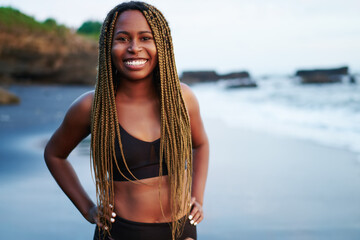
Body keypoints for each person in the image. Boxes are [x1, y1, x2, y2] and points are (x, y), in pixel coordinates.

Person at [44, 1, 209, 240]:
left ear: (162, 45)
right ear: (108, 47)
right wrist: (88, 209)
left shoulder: (182, 99)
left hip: (181, 231)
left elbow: (201, 144)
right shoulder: (93, 107)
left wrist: (198, 197)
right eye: (122, 39)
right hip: (120, 232)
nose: (134, 47)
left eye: (145, 38)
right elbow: (54, 154)